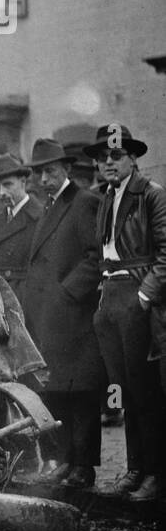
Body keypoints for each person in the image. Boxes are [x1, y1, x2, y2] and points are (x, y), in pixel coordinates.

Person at [87, 123, 166, 502]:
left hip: (137, 296)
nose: (108, 162)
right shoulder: (106, 196)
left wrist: (145, 297)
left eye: (116, 155)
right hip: (111, 297)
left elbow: (165, 254)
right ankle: (135, 468)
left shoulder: (151, 195)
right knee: (123, 390)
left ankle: (155, 473)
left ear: (133, 159)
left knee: (145, 389)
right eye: (103, 157)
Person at [20, 139, 105, 489]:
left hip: (74, 317)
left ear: (66, 169)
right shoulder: (50, 206)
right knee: (59, 391)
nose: (44, 179)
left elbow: (96, 256)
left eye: (50, 171)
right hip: (49, 318)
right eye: (39, 172)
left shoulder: (84, 202)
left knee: (82, 392)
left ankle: (84, 466)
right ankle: (68, 461)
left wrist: (67, 293)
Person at [0, 153, 42, 294]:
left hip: (26, 300)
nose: (2, 193)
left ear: (23, 182)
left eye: (7, 185)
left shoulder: (40, 218)